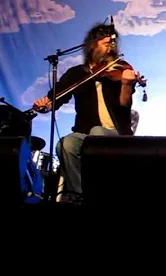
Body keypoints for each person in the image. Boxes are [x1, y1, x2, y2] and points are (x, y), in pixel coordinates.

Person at [32, 23, 140, 203]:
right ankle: (79, 195)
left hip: (116, 133)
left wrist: (127, 84)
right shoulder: (76, 74)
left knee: (97, 132)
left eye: (112, 42)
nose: (110, 45)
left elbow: (124, 105)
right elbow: (56, 99)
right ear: (92, 45)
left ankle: (100, 194)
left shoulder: (119, 70)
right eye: (105, 41)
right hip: (84, 133)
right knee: (66, 144)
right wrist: (45, 105)